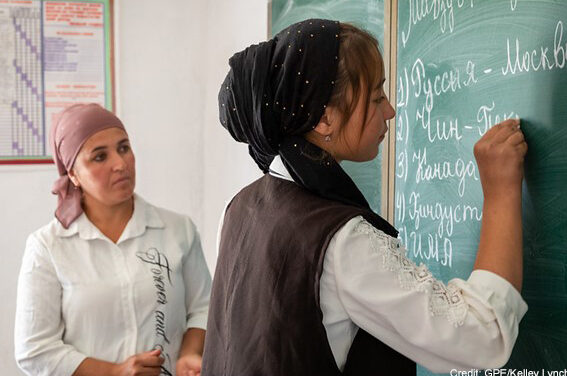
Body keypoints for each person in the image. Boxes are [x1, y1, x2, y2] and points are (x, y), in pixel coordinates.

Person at [202, 19, 528, 376]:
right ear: (324, 119)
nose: (389, 110)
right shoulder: (341, 241)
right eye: (376, 97)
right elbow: (483, 337)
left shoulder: (238, 208)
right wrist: (501, 193)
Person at [14, 104, 212, 376]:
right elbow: (34, 350)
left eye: (123, 148)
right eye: (99, 157)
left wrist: (189, 353)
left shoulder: (178, 230)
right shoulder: (48, 246)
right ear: (73, 174)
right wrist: (115, 371)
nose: (120, 164)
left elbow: (203, 307)